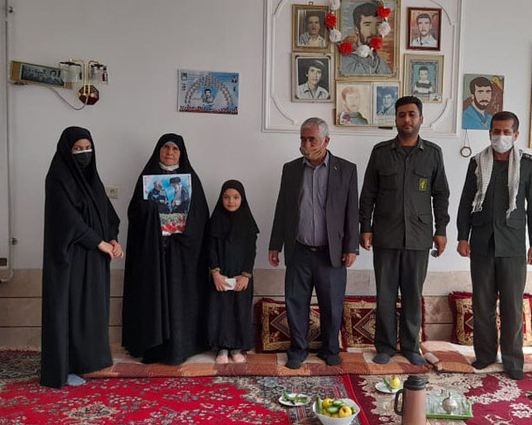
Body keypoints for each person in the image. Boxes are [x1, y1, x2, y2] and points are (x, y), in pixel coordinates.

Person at [359, 96, 450, 365]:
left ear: (421, 119)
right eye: (401, 115)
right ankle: (385, 347)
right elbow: (368, 193)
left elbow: (441, 194)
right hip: (385, 235)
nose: (407, 120)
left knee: (412, 294)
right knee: (385, 295)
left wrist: (441, 230)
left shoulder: (433, 153)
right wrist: (365, 227)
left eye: (412, 114)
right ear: (396, 119)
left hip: (419, 237)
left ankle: (411, 347)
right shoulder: (381, 152)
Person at [456, 111, 532, 380]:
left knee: (512, 306)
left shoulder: (528, 164)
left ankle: (513, 361)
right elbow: (466, 202)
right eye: (496, 131)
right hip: (482, 243)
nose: (501, 136)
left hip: (513, 245)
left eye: (507, 132)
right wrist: (462, 236)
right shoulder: (477, 162)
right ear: (490, 133)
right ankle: (484, 356)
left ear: (516, 135)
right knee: (482, 304)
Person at [269, 117, 359, 369]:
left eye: (312, 139)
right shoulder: (291, 169)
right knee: (296, 302)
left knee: (332, 304)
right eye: (303, 139)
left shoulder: (346, 169)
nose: (306, 144)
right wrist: (275, 244)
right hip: (299, 250)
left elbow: (352, 211)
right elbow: (282, 208)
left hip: (332, 252)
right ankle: (298, 350)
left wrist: (351, 247)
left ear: (326, 141)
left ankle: (330, 350)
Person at [41, 126, 124, 388]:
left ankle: (83, 363)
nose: (84, 153)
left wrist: (113, 239)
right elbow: (68, 220)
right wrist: (99, 242)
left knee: (88, 312)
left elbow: (107, 213)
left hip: (95, 258)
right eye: (77, 149)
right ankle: (62, 369)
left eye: (88, 148)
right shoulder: (58, 178)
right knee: (68, 311)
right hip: (71, 259)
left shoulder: (92, 179)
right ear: (67, 150)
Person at [122, 134, 210, 365]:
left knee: (179, 299)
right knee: (153, 297)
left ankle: (181, 346)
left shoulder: (192, 180)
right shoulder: (147, 178)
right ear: (158, 151)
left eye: (175, 149)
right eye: (165, 148)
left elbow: (200, 216)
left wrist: (182, 233)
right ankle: (153, 348)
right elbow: (134, 214)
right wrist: (150, 212)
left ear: (181, 153)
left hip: (181, 252)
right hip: (153, 251)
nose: (170, 152)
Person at [207, 180, 259, 365]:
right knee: (220, 310)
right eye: (227, 197)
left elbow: (251, 251)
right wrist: (215, 273)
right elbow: (210, 249)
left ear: (242, 199)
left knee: (240, 309)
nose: (231, 201)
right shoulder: (214, 222)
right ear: (221, 199)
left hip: (241, 275)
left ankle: (236, 348)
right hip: (220, 275)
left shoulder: (248, 223)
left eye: (236, 197)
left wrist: (246, 275)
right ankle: (222, 348)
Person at [340, 2, 391, 75]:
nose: (373, 31)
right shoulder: (345, 62)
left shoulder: (383, 65)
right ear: (357, 29)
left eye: (378, 24)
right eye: (367, 25)